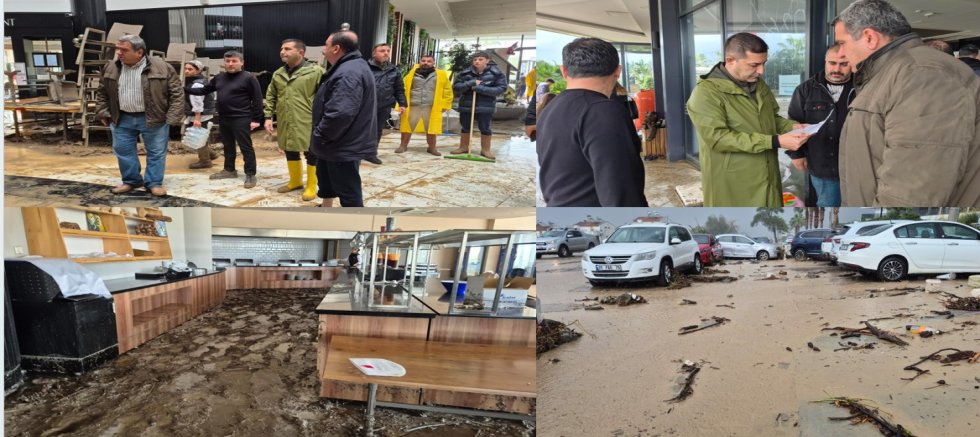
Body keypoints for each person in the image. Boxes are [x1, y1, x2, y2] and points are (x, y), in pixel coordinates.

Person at [834, 0, 980, 206]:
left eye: (842, 43)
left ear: (869, 37)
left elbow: (915, 188)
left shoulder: (923, 73)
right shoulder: (894, 71)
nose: (840, 53)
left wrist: (877, 223)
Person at [686, 32, 811, 207]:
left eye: (764, 63)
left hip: (768, 175)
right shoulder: (706, 93)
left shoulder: (759, 84)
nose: (761, 71)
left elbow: (771, 118)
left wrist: (793, 127)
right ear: (730, 60)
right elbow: (717, 138)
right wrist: (775, 141)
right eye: (754, 65)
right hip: (732, 182)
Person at [536, 37, 647, 206]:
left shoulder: (549, 109)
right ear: (618, 71)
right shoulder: (603, 111)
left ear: (564, 71)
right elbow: (621, 193)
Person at [96, 34, 183, 197]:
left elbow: (177, 93)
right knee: (123, 150)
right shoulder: (111, 67)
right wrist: (103, 111)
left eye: (124, 50)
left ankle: (154, 183)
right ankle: (131, 180)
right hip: (121, 117)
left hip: (155, 117)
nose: (119, 53)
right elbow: (102, 92)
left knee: (156, 152)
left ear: (139, 52)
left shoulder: (162, 67)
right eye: (118, 49)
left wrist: (173, 117)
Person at [310, 30, 377, 207]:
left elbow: (340, 113)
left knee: (349, 192)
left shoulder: (348, 72)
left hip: (341, 143)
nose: (324, 50)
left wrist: (320, 135)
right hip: (336, 143)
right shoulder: (350, 66)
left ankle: (354, 228)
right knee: (328, 180)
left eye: (326, 45)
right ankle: (326, 208)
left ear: (336, 48)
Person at [786, 44, 855, 208]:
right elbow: (793, 123)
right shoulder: (805, 90)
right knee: (828, 204)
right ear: (825, 61)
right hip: (821, 163)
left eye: (844, 64)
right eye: (832, 63)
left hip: (856, 165)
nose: (837, 69)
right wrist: (797, 155)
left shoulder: (863, 88)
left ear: (853, 63)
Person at [187, 50, 263, 188]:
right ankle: (229, 170)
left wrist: (256, 119)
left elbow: (257, 100)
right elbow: (204, 90)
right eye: (227, 61)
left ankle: (250, 174)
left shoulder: (249, 78)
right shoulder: (219, 77)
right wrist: (184, 89)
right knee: (228, 146)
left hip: (241, 118)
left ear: (242, 62)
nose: (230, 64)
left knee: (246, 147)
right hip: (224, 117)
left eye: (234, 61)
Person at [263, 38, 324, 201]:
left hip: (307, 119)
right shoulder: (278, 73)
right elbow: (271, 95)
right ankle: (295, 181)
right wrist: (268, 116)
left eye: (288, 49)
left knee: (311, 152)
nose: (282, 51)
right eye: (282, 48)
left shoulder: (316, 71)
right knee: (289, 149)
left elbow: (326, 97)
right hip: (285, 119)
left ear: (301, 52)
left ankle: (312, 185)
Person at [451, 51, 507, 160]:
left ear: (487, 60)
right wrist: (470, 83)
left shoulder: (497, 73)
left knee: (485, 128)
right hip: (467, 104)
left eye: (480, 59)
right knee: (466, 126)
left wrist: (481, 89)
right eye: (475, 59)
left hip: (486, 106)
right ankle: (463, 147)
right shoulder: (465, 73)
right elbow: (456, 87)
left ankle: (485, 150)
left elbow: (501, 89)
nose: (477, 61)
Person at [396, 54, 453, 156]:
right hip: (413, 105)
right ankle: (403, 146)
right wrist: (401, 104)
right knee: (407, 127)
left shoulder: (441, 75)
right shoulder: (411, 74)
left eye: (429, 61)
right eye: (423, 60)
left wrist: (445, 105)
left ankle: (432, 148)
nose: (426, 63)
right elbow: (402, 89)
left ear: (433, 63)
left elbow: (447, 90)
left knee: (432, 128)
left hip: (431, 106)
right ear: (420, 61)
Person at [367, 43, 407, 165]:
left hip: (384, 105)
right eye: (382, 50)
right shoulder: (365, 67)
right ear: (374, 53)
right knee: (363, 129)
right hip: (366, 105)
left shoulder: (394, 70)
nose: (386, 53)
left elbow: (399, 88)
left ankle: (371, 153)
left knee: (378, 130)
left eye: (388, 51)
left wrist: (402, 104)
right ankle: (357, 152)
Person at [183, 61, 219, 169]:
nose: (187, 71)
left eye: (190, 69)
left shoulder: (196, 84)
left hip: (200, 115)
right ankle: (212, 154)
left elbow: (197, 102)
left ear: (198, 70)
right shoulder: (201, 81)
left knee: (198, 138)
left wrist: (197, 118)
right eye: (186, 68)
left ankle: (205, 161)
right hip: (205, 113)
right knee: (201, 136)